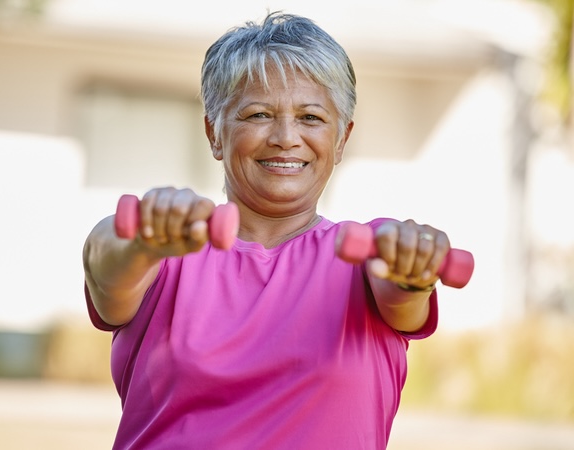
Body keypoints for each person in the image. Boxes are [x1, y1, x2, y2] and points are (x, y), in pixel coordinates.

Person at [82, 11, 452, 449]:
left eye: (311, 118)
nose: (285, 137)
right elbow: (106, 259)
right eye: (258, 114)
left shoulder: (368, 254)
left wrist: (412, 272)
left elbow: (402, 294)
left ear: (341, 139)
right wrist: (144, 240)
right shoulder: (161, 253)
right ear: (214, 133)